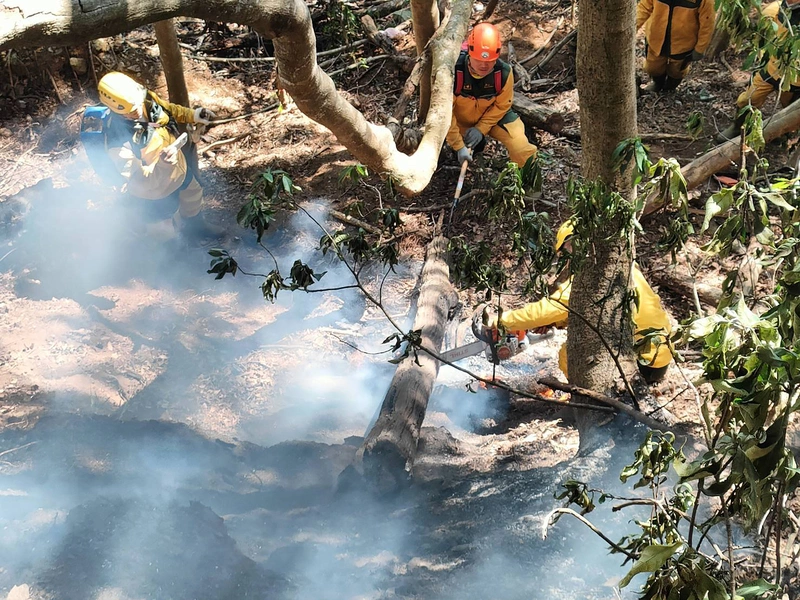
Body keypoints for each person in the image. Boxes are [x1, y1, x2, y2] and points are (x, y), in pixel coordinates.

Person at [492, 221, 674, 383]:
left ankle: (591, 401)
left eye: (566, 251)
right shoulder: (622, 266)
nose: (567, 259)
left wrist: (499, 322)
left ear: (575, 243)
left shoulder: (593, 276)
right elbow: (592, 310)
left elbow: (551, 308)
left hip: (640, 362)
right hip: (658, 358)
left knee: (571, 352)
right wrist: (556, 322)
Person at [90, 71, 224, 242]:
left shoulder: (144, 100)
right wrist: (164, 164)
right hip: (153, 192)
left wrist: (194, 115)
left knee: (193, 194)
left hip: (177, 169)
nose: (138, 111)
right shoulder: (117, 142)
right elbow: (139, 179)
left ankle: (195, 227)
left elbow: (167, 110)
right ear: (115, 110)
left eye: (137, 105)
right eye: (130, 112)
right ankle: (170, 259)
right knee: (163, 232)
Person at [446, 23, 538, 168]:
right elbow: (444, 112)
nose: (484, 65)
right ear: (469, 53)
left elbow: (502, 105)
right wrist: (458, 145)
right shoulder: (454, 72)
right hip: (459, 121)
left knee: (522, 149)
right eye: (479, 60)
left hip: (494, 118)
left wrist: (480, 129)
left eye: (489, 61)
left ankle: (530, 187)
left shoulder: (503, 73)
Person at [717, 0, 800, 142]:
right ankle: (739, 126)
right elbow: (764, 35)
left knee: (791, 107)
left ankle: (784, 132)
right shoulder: (775, 9)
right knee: (748, 99)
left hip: (795, 77)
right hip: (770, 68)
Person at [636, 0, 716, 93]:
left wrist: (700, 48)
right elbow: (644, 7)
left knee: (677, 70)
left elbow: (707, 24)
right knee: (653, 68)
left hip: (683, 44)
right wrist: (632, 27)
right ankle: (658, 83)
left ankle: (670, 87)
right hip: (656, 39)